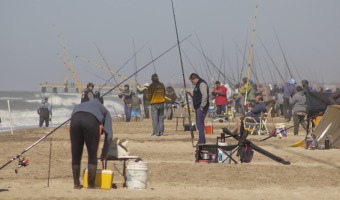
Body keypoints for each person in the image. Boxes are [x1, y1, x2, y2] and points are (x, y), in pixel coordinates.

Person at [70, 99, 112, 189]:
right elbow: (109, 134)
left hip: (75, 119)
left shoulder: (79, 105)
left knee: (76, 153)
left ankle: (76, 184)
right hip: (91, 121)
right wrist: (104, 152)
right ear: (102, 103)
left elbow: (72, 116)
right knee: (92, 154)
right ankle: (91, 184)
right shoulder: (104, 110)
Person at [188, 73, 209, 144]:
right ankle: (202, 140)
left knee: (199, 124)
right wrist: (192, 96)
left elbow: (204, 95)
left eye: (192, 81)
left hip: (201, 107)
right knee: (199, 124)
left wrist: (202, 106)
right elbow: (198, 96)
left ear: (195, 78)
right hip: (198, 107)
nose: (192, 82)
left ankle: (201, 140)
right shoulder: (197, 85)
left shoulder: (202, 84)